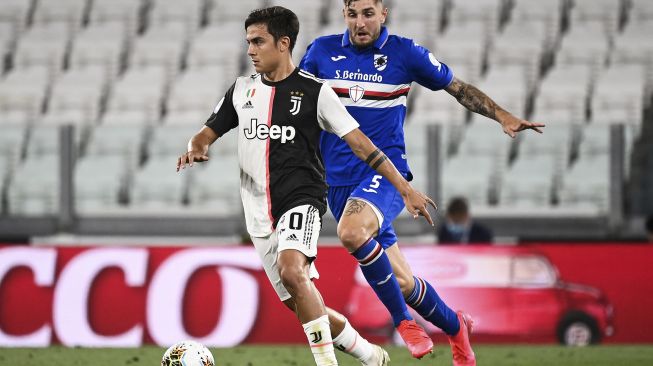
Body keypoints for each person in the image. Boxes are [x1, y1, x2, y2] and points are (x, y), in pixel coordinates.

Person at [176, 6, 438, 366]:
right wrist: (196, 148)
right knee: (298, 299)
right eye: (248, 42)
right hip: (257, 210)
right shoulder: (241, 91)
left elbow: (363, 144)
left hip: (303, 199)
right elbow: (206, 132)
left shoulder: (316, 93)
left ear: (283, 44)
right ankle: (370, 354)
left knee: (292, 269)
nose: (250, 50)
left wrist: (404, 188)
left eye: (258, 42)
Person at [299, 0, 545, 364]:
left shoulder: (405, 52)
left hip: (385, 175)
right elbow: (297, 102)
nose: (360, 22)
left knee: (352, 232)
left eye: (368, 13)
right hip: (336, 183)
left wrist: (501, 115)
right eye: (353, 14)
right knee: (401, 283)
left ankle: (404, 323)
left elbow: (457, 88)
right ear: (344, 15)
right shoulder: (321, 52)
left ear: (384, 13)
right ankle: (456, 326)